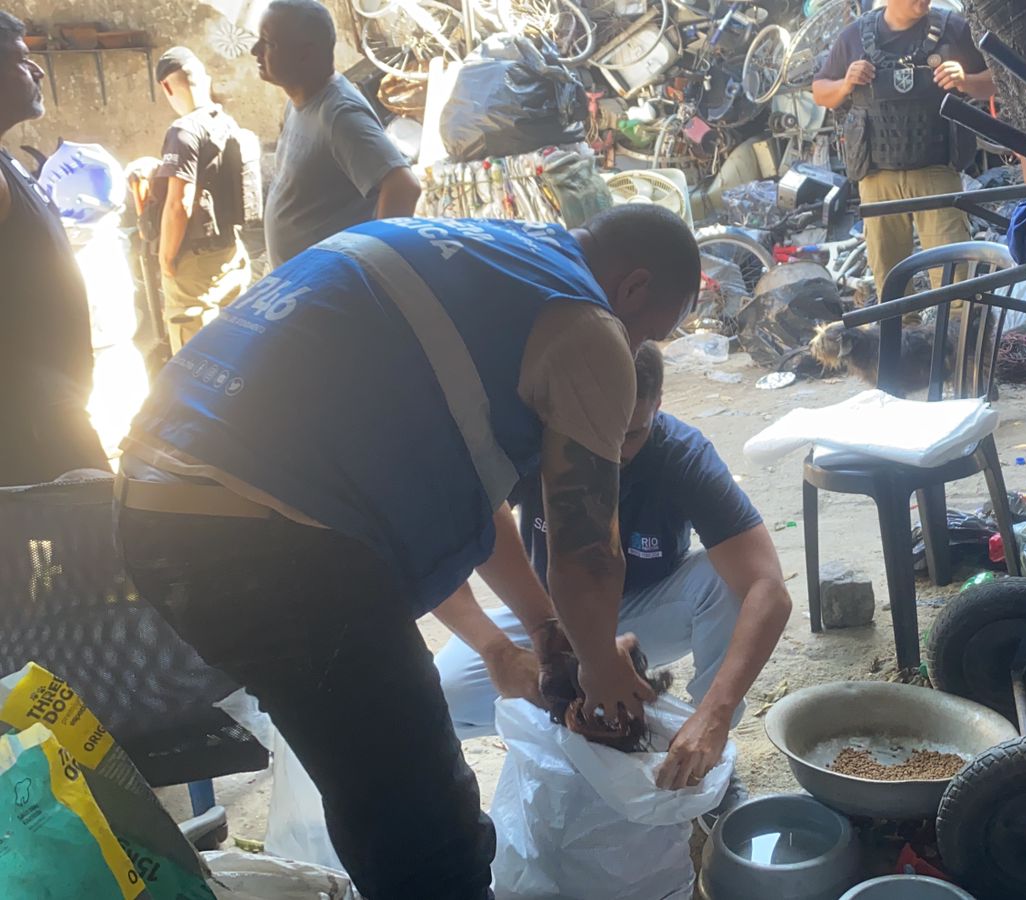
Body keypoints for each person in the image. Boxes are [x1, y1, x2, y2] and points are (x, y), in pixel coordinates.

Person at [115, 205, 701, 900]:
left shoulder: (490, 253)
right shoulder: (589, 324)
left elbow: (470, 500)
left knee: (381, 780)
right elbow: (587, 554)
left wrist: (543, 633)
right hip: (259, 532)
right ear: (632, 289)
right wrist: (603, 668)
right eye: (647, 335)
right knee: (425, 826)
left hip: (158, 501)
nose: (634, 352)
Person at [433, 341, 792, 790]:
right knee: (446, 692)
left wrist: (715, 714)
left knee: (730, 584)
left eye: (631, 434)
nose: (609, 454)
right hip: (551, 613)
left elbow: (769, 587)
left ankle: (700, 744)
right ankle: (567, 730)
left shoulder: (681, 456)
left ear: (657, 406)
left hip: (648, 610)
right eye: (594, 432)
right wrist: (500, 651)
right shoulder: (535, 446)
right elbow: (435, 548)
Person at [812, 0, 995, 288]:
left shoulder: (953, 28)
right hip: (877, 179)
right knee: (890, 287)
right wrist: (845, 84)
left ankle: (958, 332)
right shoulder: (854, 36)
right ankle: (900, 332)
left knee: (956, 283)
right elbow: (820, 92)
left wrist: (965, 80)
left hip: (936, 173)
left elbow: (997, 81)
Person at [0, 10, 107, 485]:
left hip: (48, 409)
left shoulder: (6, 160)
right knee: (56, 543)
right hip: (32, 423)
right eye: (22, 61)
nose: (37, 70)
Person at [251, 0, 420, 268]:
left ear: (305, 53)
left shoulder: (340, 115)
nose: (255, 51)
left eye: (268, 43)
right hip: (302, 289)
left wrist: (377, 267)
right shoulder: (298, 103)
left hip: (334, 293)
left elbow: (403, 187)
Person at [153, 47, 258, 351]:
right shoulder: (226, 122)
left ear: (167, 86)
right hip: (231, 253)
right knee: (236, 348)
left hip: (195, 268)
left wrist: (165, 259)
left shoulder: (183, 131)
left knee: (195, 360)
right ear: (205, 79)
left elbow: (179, 204)